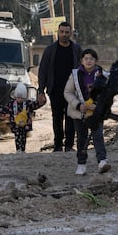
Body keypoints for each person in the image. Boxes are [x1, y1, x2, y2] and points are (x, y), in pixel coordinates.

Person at [64, 48, 111, 175]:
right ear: (82, 60)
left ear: (95, 61)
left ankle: (102, 161)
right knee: (81, 138)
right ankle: (81, 164)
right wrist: (78, 105)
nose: (88, 61)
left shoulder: (103, 75)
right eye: (86, 58)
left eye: (91, 58)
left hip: (96, 112)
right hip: (79, 112)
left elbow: (108, 93)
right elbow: (67, 92)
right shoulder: (75, 74)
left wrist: (99, 106)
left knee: (98, 136)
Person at [37, 22, 81, 152]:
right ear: (58, 32)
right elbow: (43, 70)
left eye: (67, 32)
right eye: (62, 32)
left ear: (70, 33)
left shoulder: (77, 50)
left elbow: (82, 69)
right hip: (55, 90)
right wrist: (41, 90)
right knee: (57, 117)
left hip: (72, 90)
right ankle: (57, 145)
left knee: (71, 117)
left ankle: (69, 145)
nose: (64, 35)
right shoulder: (50, 50)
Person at [0, 83, 44, 152]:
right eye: (18, 97)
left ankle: (23, 149)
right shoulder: (11, 104)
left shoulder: (28, 103)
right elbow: (4, 109)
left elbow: (35, 105)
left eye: (22, 98)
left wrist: (41, 102)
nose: (20, 99)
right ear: (15, 96)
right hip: (15, 124)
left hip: (25, 124)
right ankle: (18, 149)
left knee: (23, 137)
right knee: (17, 137)